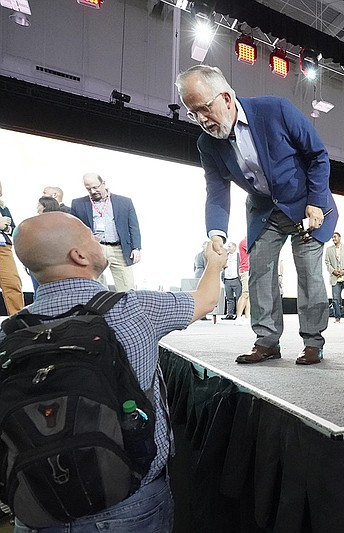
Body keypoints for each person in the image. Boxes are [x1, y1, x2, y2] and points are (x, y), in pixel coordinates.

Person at [5, 211, 227, 532]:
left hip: (35, 507)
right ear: (79, 255)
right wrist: (214, 264)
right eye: (92, 238)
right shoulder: (134, 308)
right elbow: (206, 300)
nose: (99, 242)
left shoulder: (8, 334)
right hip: (129, 506)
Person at [175, 65, 338, 366]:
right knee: (259, 274)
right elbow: (217, 191)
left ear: (225, 97)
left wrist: (315, 201)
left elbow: (318, 155)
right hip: (265, 212)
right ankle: (267, 342)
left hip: (307, 207)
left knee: (309, 274)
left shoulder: (275, 109)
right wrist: (215, 233)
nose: (201, 120)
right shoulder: (206, 144)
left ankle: (314, 342)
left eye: (204, 109)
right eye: (192, 113)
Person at [71, 173, 141, 292]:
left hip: (118, 248)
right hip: (95, 248)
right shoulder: (78, 204)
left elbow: (133, 226)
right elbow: (75, 228)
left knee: (127, 286)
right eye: (88, 189)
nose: (92, 191)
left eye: (95, 187)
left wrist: (136, 248)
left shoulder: (124, 202)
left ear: (103, 183)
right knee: (96, 286)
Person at [0, 180, 23, 316]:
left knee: (13, 283)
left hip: (3, 249)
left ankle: (18, 321)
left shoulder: (4, 208)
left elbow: (13, 229)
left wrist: (5, 226)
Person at [222, 241, 241, 320]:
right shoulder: (225, 256)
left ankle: (238, 314)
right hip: (227, 280)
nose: (228, 248)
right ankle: (229, 314)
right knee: (229, 298)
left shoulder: (238, 256)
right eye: (228, 246)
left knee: (238, 298)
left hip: (236, 279)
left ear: (234, 247)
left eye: (230, 246)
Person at [235, 237, 250, 326]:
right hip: (245, 270)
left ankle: (247, 317)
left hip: (250, 269)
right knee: (245, 293)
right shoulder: (245, 242)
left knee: (249, 295)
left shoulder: (247, 241)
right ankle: (239, 317)